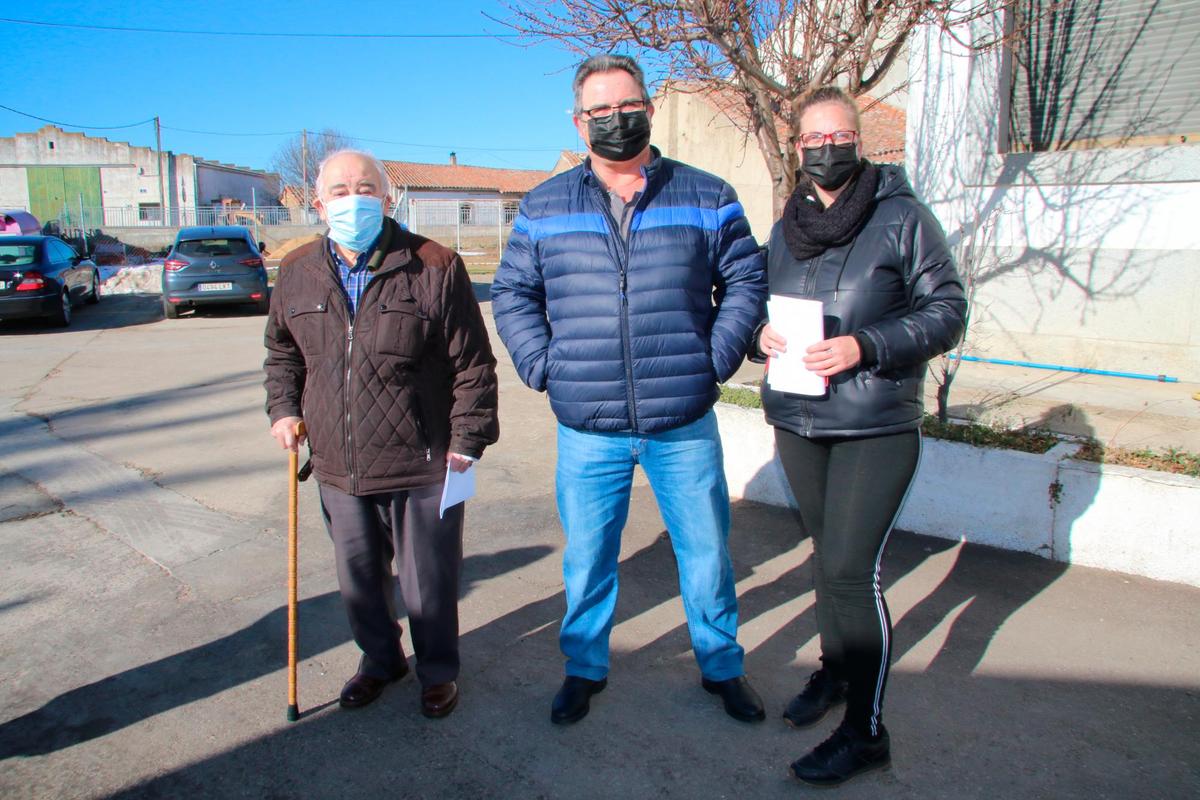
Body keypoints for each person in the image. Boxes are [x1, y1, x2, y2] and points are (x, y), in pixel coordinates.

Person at [491, 54, 768, 726]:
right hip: (589, 424)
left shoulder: (708, 195)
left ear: (647, 106)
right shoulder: (544, 205)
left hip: (683, 419)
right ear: (578, 121)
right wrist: (544, 365)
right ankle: (585, 667)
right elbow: (512, 293)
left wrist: (715, 359)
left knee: (704, 550)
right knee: (588, 557)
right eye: (600, 111)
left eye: (627, 105)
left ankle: (722, 664)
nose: (616, 120)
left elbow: (746, 282)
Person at [753, 87, 967, 786]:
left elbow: (948, 310)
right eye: (811, 139)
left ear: (859, 140)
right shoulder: (785, 227)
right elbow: (754, 304)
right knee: (827, 561)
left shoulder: (901, 217)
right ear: (797, 148)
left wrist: (865, 346)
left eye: (836, 135)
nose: (824, 148)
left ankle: (866, 732)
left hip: (875, 422)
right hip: (800, 420)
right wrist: (759, 334)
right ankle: (835, 674)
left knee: (851, 572)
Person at [263, 149, 499, 719]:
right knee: (360, 581)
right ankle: (380, 661)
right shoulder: (296, 272)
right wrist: (283, 410)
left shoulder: (434, 265)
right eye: (339, 190)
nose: (353, 199)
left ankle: (438, 671)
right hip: (339, 465)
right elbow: (282, 354)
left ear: (388, 199)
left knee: (428, 585)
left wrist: (467, 441)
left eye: (365, 188)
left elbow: (473, 365)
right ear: (318, 203)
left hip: (423, 461)